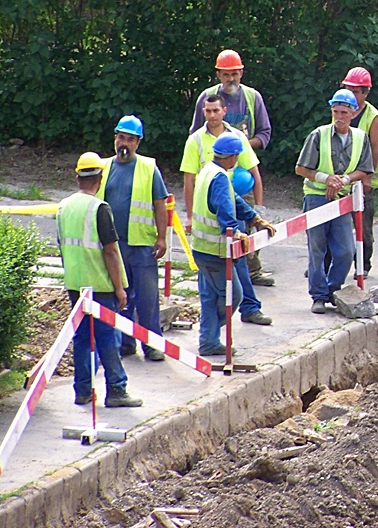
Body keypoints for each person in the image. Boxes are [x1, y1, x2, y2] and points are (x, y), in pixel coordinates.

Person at [58, 152, 142, 408]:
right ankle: (116, 389)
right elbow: (110, 251)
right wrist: (119, 288)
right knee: (108, 338)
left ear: (77, 177)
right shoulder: (99, 209)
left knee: (82, 338)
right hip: (101, 285)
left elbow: (62, 246)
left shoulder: (63, 207)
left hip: (75, 283)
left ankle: (83, 391)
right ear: (100, 177)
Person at [189, 50, 275, 286]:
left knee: (248, 221)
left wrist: (240, 147)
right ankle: (222, 270)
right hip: (213, 173)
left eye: (235, 74)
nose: (231, 79)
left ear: (242, 72)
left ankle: (253, 271)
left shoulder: (252, 97)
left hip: (242, 173)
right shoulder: (207, 98)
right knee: (221, 223)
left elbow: (265, 134)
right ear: (218, 74)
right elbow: (196, 134)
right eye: (226, 74)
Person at [190, 134, 275, 356]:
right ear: (233, 157)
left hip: (201, 248)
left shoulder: (210, 171)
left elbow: (233, 200)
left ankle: (208, 341)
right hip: (214, 251)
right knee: (232, 295)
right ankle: (209, 335)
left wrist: (254, 218)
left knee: (210, 296)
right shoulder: (218, 177)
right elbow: (224, 209)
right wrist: (235, 232)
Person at [97, 115, 169, 362]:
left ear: (138, 142)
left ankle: (152, 344)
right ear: (115, 138)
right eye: (121, 137)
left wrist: (162, 238)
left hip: (141, 244)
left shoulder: (148, 168)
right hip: (114, 245)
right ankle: (126, 342)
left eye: (129, 139)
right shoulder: (104, 167)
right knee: (121, 295)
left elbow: (160, 204)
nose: (124, 143)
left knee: (147, 298)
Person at [295, 89, 373, 314]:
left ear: (353, 113)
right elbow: (301, 168)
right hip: (317, 197)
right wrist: (326, 179)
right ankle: (318, 296)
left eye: (344, 113)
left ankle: (332, 290)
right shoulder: (318, 135)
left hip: (341, 199)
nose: (339, 117)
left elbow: (365, 169)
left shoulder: (359, 138)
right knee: (317, 249)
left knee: (346, 251)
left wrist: (343, 180)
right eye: (335, 112)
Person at [182, 93, 267, 296]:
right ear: (203, 112)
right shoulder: (196, 141)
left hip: (232, 201)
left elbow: (253, 172)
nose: (212, 115)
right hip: (211, 209)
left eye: (216, 111)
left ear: (224, 111)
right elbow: (188, 180)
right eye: (208, 111)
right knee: (226, 268)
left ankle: (248, 305)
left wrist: (257, 213)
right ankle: (246, 305)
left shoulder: (236, 137)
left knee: (236, 262)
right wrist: (190, 216)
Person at [342, 66, 378, 275]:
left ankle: (364, 265)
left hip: (363, 178)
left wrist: (368, 176)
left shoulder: (373, 117)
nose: (351, 94)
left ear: (365, 93)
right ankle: (328, 263)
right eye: (348, 89)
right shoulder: (342, 110)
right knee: (335, 224)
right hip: (344, 177)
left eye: (356, 91)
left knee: (363, 225)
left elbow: (376, 148)